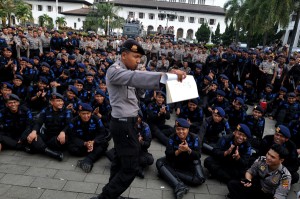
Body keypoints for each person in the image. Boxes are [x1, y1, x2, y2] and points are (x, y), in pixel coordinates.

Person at [91, 39, 186, 199]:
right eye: (135, 57)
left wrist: (143, 76)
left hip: (130, 123)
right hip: (123, 125)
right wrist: (167, 76)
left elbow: (139, 93)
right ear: (123, 55)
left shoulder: (129, 72)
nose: (138, 61)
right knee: (130, 168)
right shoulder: (114, 71)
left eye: (140, 58)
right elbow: (134, 78)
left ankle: (111, 193)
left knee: (120, 163)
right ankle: (105, 197)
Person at [156, 118, 205, 199]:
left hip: (189, 164)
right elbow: (168, 154)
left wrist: (188, 149)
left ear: (188, 129)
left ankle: (167, 174)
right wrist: (178, 151)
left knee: (200, 179)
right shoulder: (172, 137)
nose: (181, 132)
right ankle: (178, 185)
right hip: (176, 162)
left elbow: (198, 155)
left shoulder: (195, 138)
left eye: (183, 129)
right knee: (159, 162)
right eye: (178, 129)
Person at [227, 144, 291, 199]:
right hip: (256, 188)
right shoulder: (261, 159)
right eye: (268, 154)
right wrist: (248, 180)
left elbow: (280, 195)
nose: (268, 157)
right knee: (232, 184)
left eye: (272, 157)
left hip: (267, 195)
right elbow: (250, 171)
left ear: (281, 160)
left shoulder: (285, 177)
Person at [26, 92, 72, 161]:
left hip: (58, 137)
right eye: (58, 101)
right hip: (48, 135)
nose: (61, 103)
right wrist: (34, 131)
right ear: (51, 102)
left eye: (61, 101)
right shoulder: (46, 110)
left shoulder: (67, 111)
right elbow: (38, 122)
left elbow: (69, 124)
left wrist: (63, 132)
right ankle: (52, 153)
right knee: (32, 133)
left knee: (63, 138)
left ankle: (39, 147)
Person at [68, 103, 109, 173]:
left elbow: (102, 133)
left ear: (91, 113)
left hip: (93, 142)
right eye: (83, 113)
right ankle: (95, 154)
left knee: (104, 143)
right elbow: (72, 137)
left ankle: (88, 160)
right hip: (82, 143)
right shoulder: (73, 121)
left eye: (88, 113)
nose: (86, 116)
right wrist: (85, 143)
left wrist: (93, 142)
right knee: (72, 149)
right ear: (79, 113)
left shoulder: (96, 119)